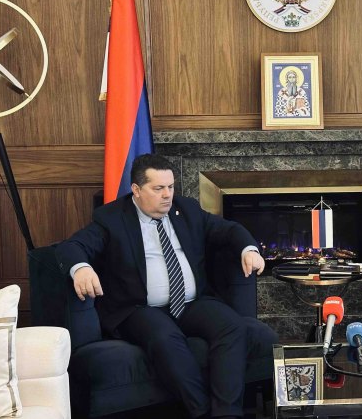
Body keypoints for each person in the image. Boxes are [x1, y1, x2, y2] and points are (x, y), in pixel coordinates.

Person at [56, 154, 268, 419]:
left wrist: (248, 249)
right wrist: (81, 268)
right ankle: (201, 412)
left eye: (170, 187)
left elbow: (228, 229)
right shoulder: (112, 218)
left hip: (191, 302)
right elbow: (72, 247)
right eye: (158, 188)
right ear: (136, 190)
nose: (167, 195)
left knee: (233, 327)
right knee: (165, 337)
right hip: (139, 308)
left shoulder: (186, 209)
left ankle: (227, 414)